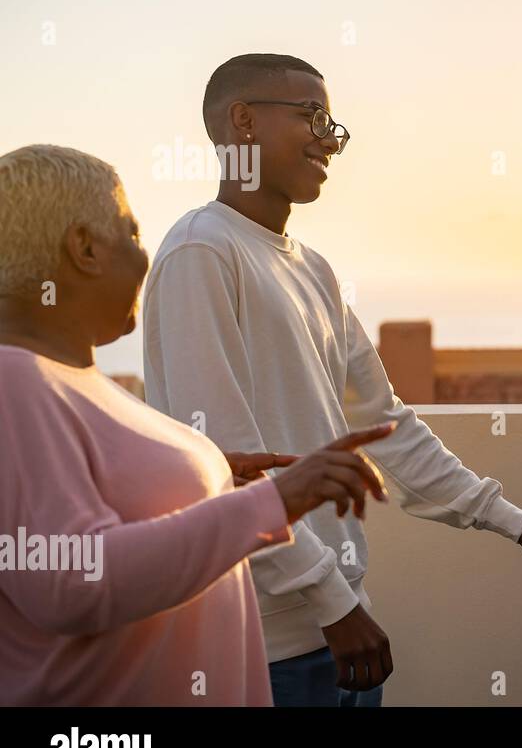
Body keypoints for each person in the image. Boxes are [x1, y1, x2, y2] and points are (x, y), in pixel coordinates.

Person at [142, 54, 522, 707]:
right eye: (311, 116)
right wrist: (331, 602)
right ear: (242, 120)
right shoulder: (201, 252)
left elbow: (386, 428)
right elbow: (223, 466)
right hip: (264, 641)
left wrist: (514, 520)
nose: (329, 138)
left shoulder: (316, 270)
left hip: (342, 630)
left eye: (333, 122)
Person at [0, 144, 394, 706]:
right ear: (84, 247)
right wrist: (273, 502)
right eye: (132, 235)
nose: (145, 260)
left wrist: (215, 475)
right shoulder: (14, 382)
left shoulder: (69, 382)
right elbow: (71, 580)